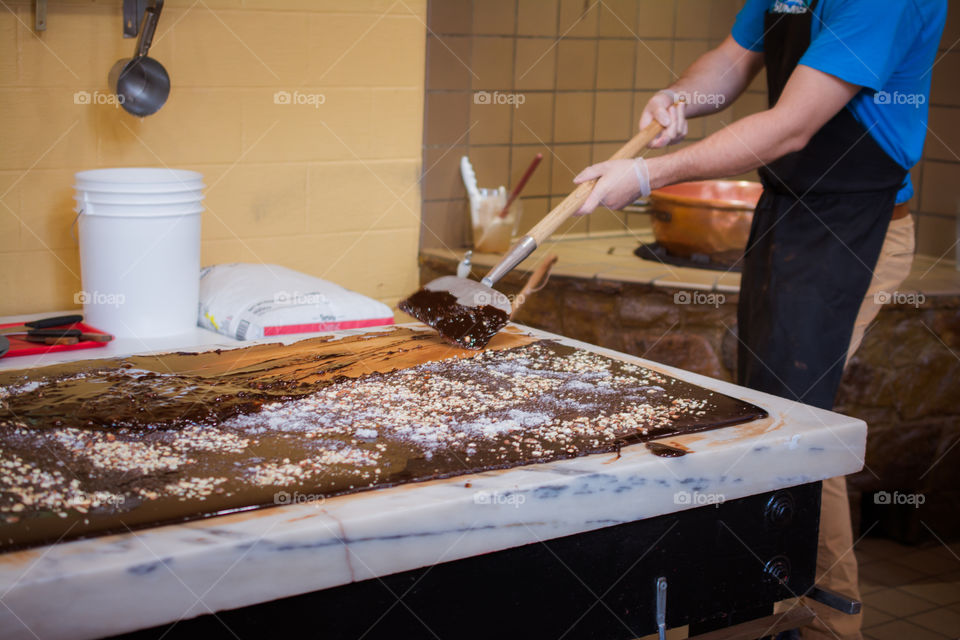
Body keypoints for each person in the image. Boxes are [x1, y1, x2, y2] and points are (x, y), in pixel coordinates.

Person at [574, 1, 947, 639]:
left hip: (857, 226)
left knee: (798, 428)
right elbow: (731, 59)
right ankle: (763, 610)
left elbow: (790, 127)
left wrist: (646, 175)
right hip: (791, 215)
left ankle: (828, 622)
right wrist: (680, 97)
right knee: (774, 417)